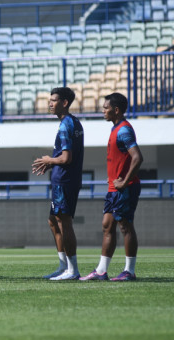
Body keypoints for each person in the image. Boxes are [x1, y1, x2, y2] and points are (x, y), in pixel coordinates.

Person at [80, 92, 143, 281]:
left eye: (106, 107)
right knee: (107, 226)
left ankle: (129, 271)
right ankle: (101, 271)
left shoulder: (124, 130)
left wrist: (124, 181)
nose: (103, 110)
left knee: (125, 226)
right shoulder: (115, 128)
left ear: (116, 110)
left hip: (125, 187)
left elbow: (138, 157)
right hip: (113, 188)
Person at [32, 87, 84, 281]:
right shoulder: (73, 122)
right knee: (53, 221)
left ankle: (73, 269)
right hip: (63, 179)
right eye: (49, 100)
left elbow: (66, 158)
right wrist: (51, 163)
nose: (50, 103)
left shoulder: (66, 125)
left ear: (64, 103)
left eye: (54, 100)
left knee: (64, 222)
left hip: (64, 181)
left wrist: (49, 161)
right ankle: (64, 266)